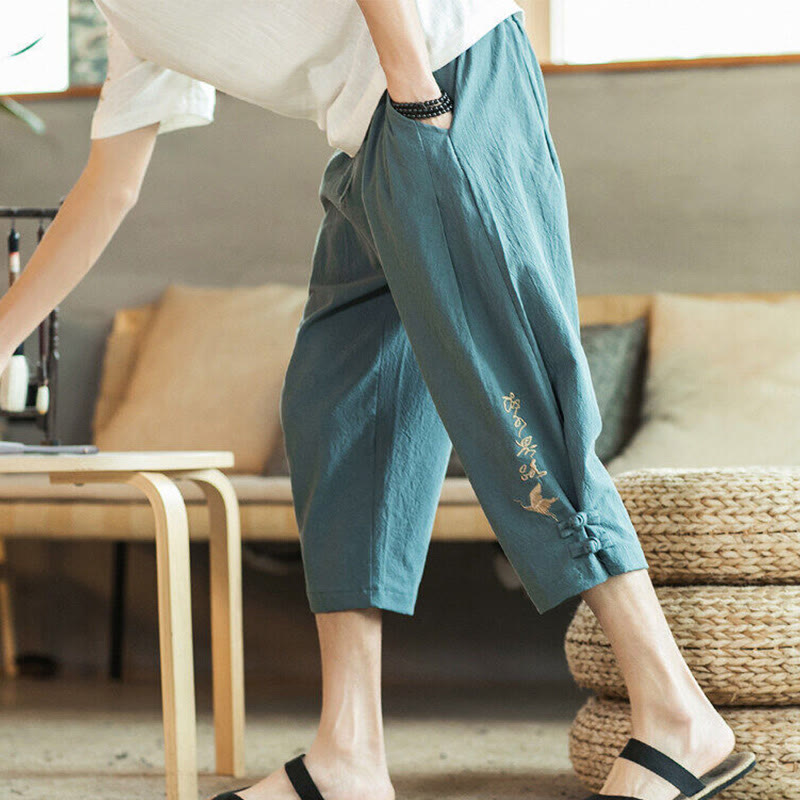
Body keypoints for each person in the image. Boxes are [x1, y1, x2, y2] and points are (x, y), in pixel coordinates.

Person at [0, 2, 755, 800]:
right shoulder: (131, 23)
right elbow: (109, 189)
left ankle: (678, 715)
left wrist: (415, 91)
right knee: (339, 409)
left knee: (512, 394)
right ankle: (348, 754)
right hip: (373, 136)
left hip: (444, 74)